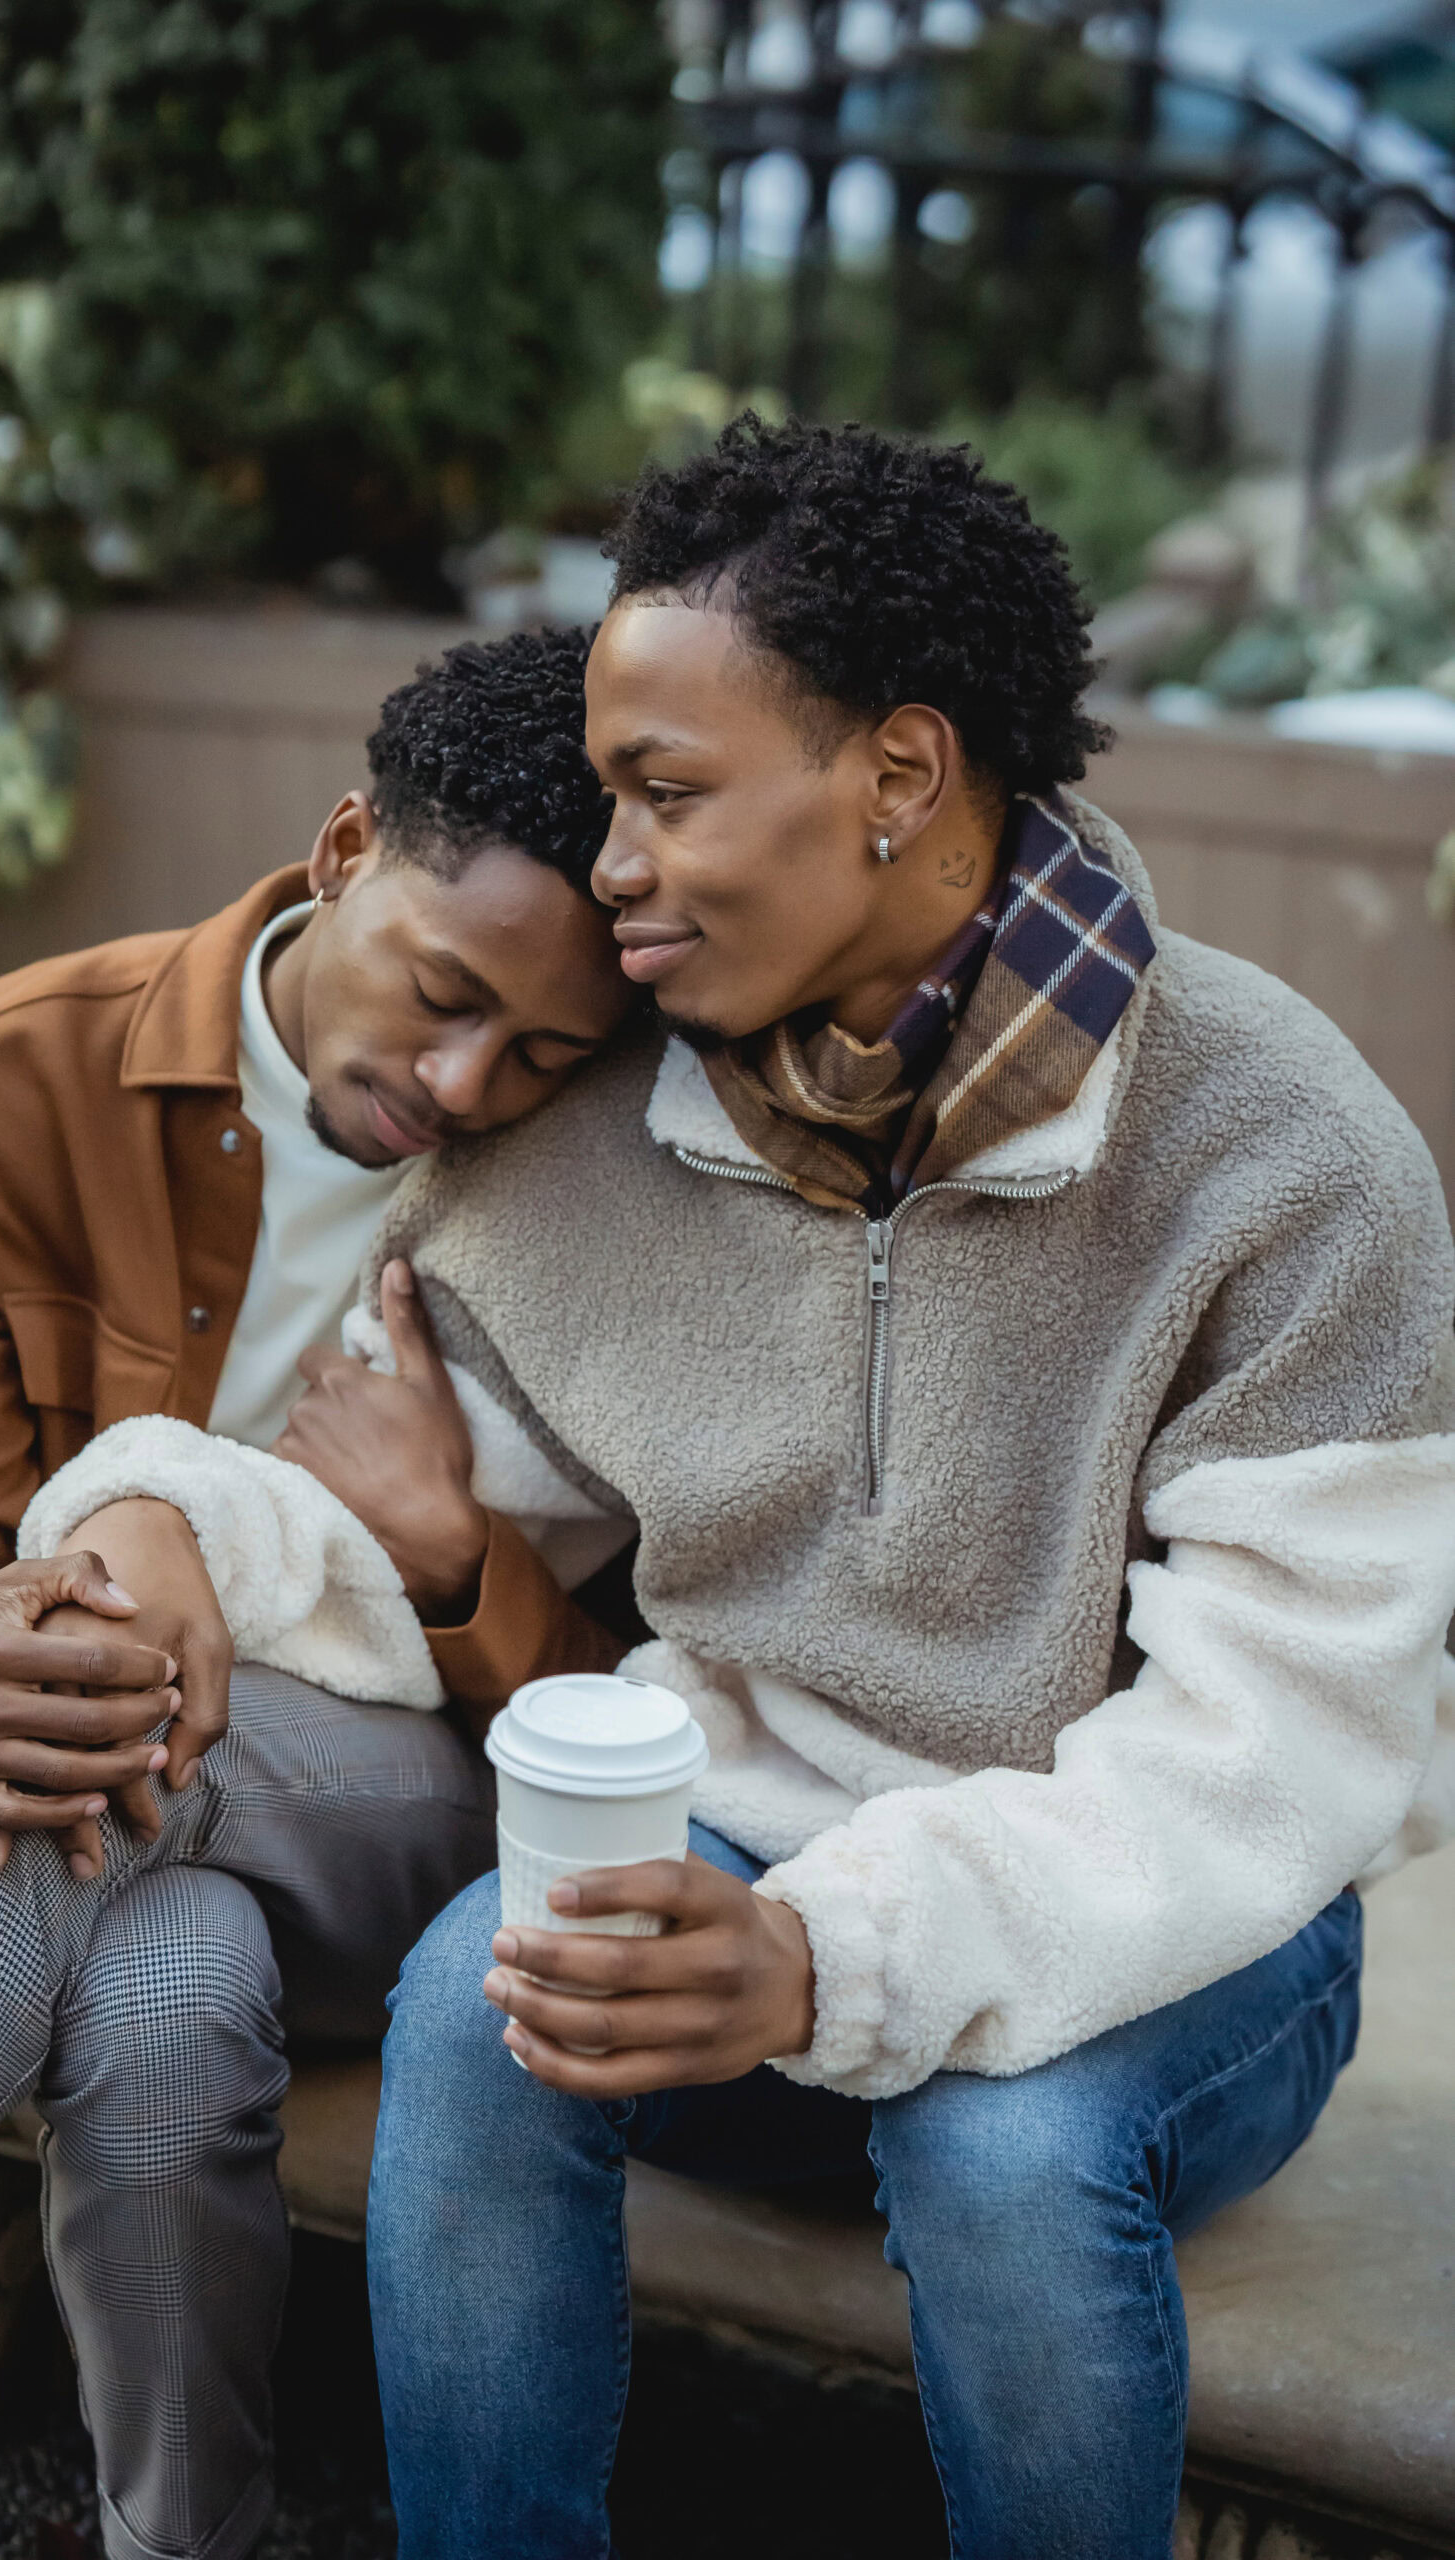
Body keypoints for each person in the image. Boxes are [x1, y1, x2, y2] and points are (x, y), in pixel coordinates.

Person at [341, 420, 1455, 2559]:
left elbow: (1267, 1761)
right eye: (607, 804)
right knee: (482, 2000)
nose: (611, 872)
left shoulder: (1283, 1156)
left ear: (897, 774)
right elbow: (380, 1462)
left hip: (1177, 1927)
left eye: (664, 797)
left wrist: (825, 1950)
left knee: (1003, 2144)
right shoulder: (599, 1106)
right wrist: (153, 1542)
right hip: (746, 1848)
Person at [0, 623, 630, 2560]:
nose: (468, 1081)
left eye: (546, 1048)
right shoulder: (18, 1068)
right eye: (443, 992)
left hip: (445, 1820)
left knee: (131, 1724)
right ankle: (186, 2533)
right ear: (339, 850)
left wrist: (444, 1549)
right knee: (163, 1994)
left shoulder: (606, 1176)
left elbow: (646, 1706)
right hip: (132, 1835)